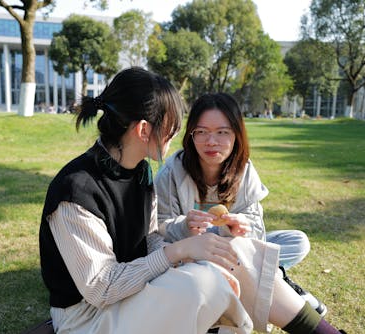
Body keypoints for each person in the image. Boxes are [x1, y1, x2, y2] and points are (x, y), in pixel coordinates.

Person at [39, 68, 345, 334]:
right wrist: (179, 251)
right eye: (173, 125)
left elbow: (150, 241)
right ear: (144, 129)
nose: (177, 134)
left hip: (133, 293)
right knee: (204, 282)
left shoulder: (139, 174)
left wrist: (190, 249)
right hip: (88, 320)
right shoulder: (75, 191)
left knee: (231, 252)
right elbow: (102, 288)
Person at [154, 93, 327, 317]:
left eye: (222, 132)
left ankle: (269, 275)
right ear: (191, 135)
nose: (211, 141)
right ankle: (273, 279)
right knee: (200, 267)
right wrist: (185, 225)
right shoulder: (172, 172)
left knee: (297, 242)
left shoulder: (243, 171)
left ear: (237, 135)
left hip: (234, 249)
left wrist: (242, 225)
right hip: (192, 253)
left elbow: (257, 228)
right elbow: (159, 227)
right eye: (202, 132)